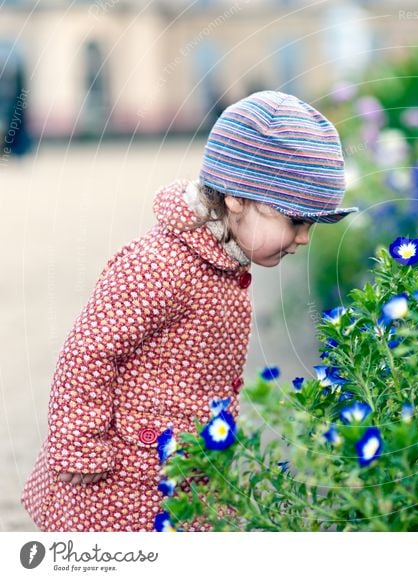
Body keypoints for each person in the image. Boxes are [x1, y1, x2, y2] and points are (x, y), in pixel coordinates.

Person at [20, 91, 358, 531]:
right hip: (118, 486)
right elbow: (90, 352)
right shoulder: (159, 264)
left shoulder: (224, 261)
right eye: (296, 220)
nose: (304, 238)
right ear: (236, 198)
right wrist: (79, 446)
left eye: (313, 224)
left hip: (181, 475)